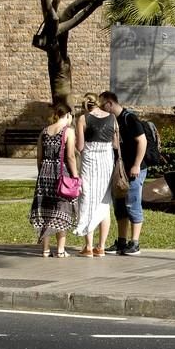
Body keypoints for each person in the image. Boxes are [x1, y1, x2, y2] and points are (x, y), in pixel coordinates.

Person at [98, 91, 147, 256]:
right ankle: (121, 241)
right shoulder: (113, 120)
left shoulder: (130, 118)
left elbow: (142, 141)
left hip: (133, 169)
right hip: (119, 170)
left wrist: (137, 165)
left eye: (102, 104)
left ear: (110, 103)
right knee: (120, 206)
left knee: (132, 204)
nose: (101, 108)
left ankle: (135, 243)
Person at [30, 103, 79, 258]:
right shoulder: (68, 131)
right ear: (68, 115)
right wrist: (76, 176)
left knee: (46, 211)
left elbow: (39, 157)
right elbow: (70, 156)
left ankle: (45, 249)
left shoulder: (44, 131)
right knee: (61, 210)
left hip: (44, 174)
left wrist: (42, 173)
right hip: (61, 174)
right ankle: (60, 250)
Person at [73, 93, 116, 258]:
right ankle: (101, 247)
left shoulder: (83, 119)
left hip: (89, 162)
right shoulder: (112, 118)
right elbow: (115, 142)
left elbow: (80, 146)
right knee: (104, 202)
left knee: (87, 200)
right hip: (106, 161)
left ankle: (88, 247)